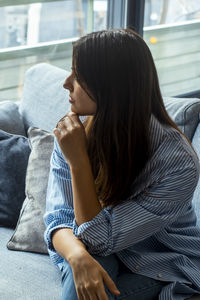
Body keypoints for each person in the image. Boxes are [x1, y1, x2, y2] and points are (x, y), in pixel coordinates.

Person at [43, 29, 200, 300]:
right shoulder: (73, 133)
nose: (66, 83)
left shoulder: (177, 163)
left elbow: (98, 238)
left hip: (156, 261)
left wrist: (79, 163)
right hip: (93, 248)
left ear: (110, 86)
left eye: (78, 75)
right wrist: (77, 256)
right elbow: (59, 218)